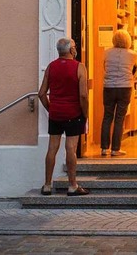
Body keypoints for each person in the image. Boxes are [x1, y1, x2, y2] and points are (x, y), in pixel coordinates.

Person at [38, 37, 90, 196]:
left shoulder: (51, 67)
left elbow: (41, 94)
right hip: (73, 113)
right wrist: (86, 114)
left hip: (56, 114)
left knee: (52, 148)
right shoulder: (79, 67)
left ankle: (47, 185)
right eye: (74, 46)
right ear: (71, 50)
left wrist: (51, 109)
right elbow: (83, 95)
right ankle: (72, 186)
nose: (75, 48)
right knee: (70, 148)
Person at [101, 29, 137, 157]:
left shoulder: (106, 52)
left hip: (109, 87)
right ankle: (115, 149)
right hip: (125, 87)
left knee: (107, 117)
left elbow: (105, 67)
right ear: (128, 40)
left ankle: (104, 148)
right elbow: (134, 70)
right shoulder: (133, 54)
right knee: (119, 118)